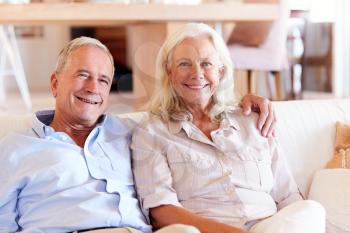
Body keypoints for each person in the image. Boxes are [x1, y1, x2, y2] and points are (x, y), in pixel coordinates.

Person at [0, 37, 274, 233]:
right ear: (55, 83)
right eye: (83, 75)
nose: (94, 88)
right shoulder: (15, 149)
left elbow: (190, 113)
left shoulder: (134, 132)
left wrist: (243, 104)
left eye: (104, 80)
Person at [131, 23, 326, 233]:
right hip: (203, 230)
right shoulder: (151, 132)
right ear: (169, 72)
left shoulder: (253, 120)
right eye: (184, 64)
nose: (197, 74)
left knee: (311, 210)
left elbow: (288, 197)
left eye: (206, 64)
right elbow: (162, 212)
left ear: (221, 71)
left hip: (268, 227)